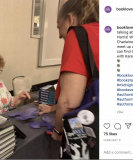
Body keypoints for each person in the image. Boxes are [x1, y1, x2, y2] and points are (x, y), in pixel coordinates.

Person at [38, 0, 99, 141]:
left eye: (59, 27)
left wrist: (58, 132)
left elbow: (69, 103)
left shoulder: (78, 34)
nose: (59, 35)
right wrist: (53, 108)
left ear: (70, 19)